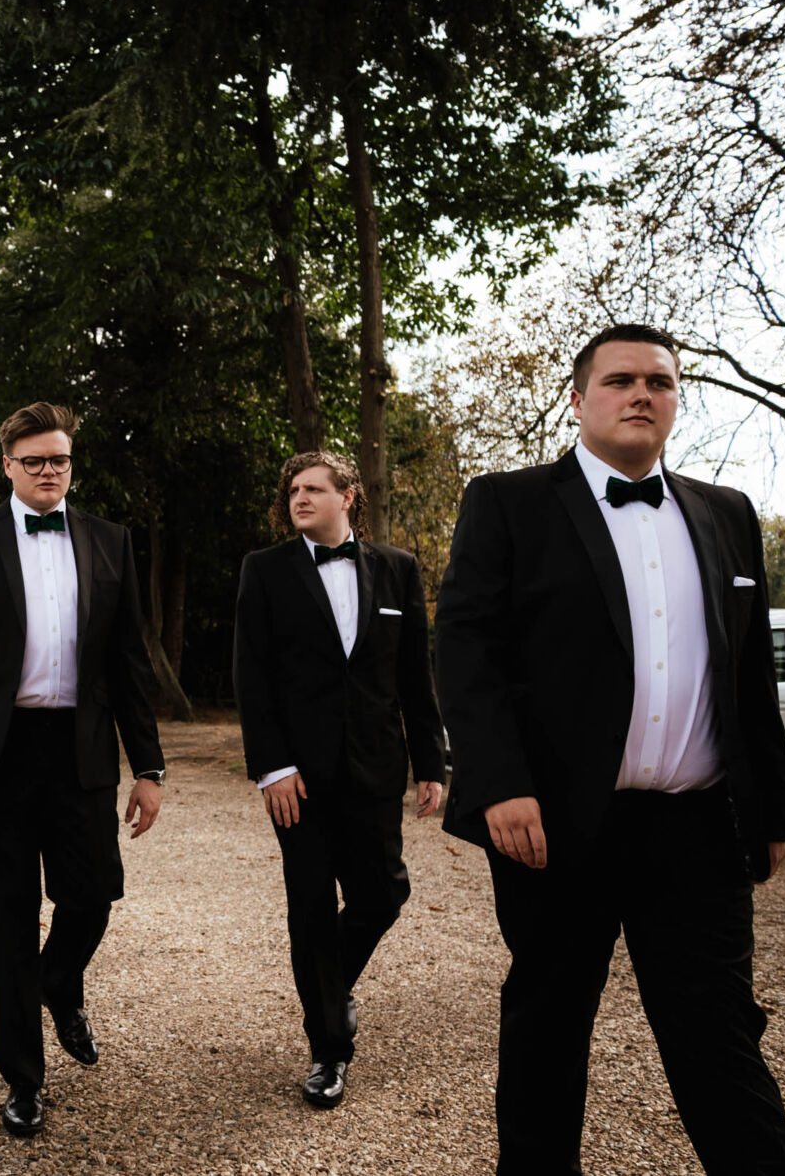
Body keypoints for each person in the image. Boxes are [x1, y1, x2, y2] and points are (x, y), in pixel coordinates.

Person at [436, 323, 785, 1175]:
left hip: (699, 826)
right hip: (558, 824)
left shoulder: (728, 513)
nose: (643, 394)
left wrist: (770, 805)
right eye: (622, 380)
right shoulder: (508, 502)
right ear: (577, 397)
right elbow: (466, 648)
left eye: (661, 382)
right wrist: (498, 783)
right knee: (549, 1025)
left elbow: (750, 675)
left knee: (718, 1029)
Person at [0, 401, 165, 1138]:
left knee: (94, 895)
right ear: (8, 466)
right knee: (10, 917)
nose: (49, 470)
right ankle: (23, 1078)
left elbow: (129, 664)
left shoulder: (111, 540)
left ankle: (61, 981)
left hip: (81, 749)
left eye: (59, 459)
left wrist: (147, 765)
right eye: (34, 461)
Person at [231, 450, 445, 1109]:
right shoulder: (264, 571)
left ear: (347, 496)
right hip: (298, 777)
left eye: (314, 487)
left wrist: (431, 762)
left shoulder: (399, 569)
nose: (299, 497)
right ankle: (328, 1047)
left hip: (376, 766)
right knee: (311, 909)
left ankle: (330, 985)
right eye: (293, 489)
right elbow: (252, 674)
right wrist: (272, 765)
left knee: (383, 893)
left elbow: (413, 676)